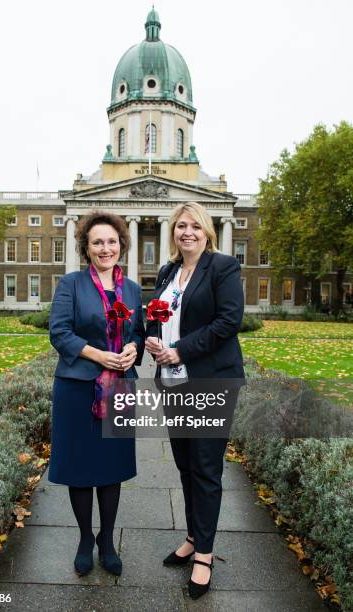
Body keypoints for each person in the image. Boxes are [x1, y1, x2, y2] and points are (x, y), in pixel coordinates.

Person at [145, 202, 244, 600]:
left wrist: (181, 350)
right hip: (174, 383)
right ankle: (192, 535)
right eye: (181, 226)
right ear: (173, 232)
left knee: (205, 468)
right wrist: (153, 336)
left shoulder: (221, 267)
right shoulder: (169, 271)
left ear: (207, 232)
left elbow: (228, 321)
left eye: (195, 226)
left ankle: (203, 554)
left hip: (210, 381)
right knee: (186, 465)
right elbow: (158, 313)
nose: (187, 232)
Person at [49, 211, 145, 577]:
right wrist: (97, 354)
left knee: (111, 468)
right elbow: (59, 333)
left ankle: (107, 541)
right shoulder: (71, 284)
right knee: (79, 468)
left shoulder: (133, 289)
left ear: (122, 244)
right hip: (77, 388)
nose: (105, 248)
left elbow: (138, 330)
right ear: (86, 248)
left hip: (119, 387)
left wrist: (134, 348)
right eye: (97, 242)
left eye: (111, 241)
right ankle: (85, 539)